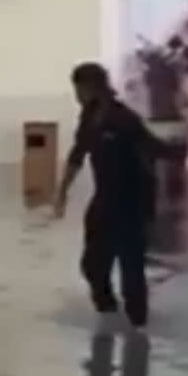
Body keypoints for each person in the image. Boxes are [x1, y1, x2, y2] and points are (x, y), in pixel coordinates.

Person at [55, 62, 177, 334]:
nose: (76, 96)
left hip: (131, 204)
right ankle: (108, 313)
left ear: (90, 88)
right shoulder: (89, 117)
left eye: (78, 89)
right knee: (92, 265)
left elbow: (153, 150)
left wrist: (176, 153)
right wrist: (62, 191)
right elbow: (78, 153)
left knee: (131, 269)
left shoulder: (124, 119)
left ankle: (139, 329)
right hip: (104, 202)